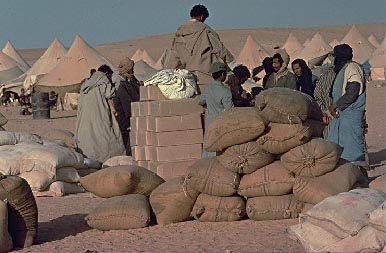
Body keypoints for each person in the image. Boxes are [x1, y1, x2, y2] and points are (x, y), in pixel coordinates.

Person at [163, 4, 234, 83]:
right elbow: (220, 49)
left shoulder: (179, 33)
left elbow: (174, 57)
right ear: (202, 16)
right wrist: (232, 64)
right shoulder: (206, 30)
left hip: (188, 78)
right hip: (206, 76)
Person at [75, 64, 125, 163]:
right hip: (100, 115)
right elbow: (110, 93)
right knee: (107, 137)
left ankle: (90, 159)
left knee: (89, 138)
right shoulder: (104, 81)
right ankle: (107, 159)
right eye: (110, 76)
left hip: (85, 118)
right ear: (106, 73)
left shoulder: (86, 84)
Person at [327, 44, 367, 163]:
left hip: (350, 117)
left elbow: (353, 91)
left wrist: (335, 105)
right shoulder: (344, 69)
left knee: (352, 153)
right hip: (342, 118)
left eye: (335, 57)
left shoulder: (353, 68)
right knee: (336, 150)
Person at [196, 62, 234, 157]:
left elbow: (199, 101)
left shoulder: (208, 88)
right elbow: (230, 111)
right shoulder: (226, 91)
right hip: (220, 123)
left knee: (208, 147)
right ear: (222, 75)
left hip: (209, 122)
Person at [112, 57, 141, 155]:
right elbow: (127, 105)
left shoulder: (130, 81)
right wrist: (131, 119)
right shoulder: (121, 84)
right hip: (126, 119)